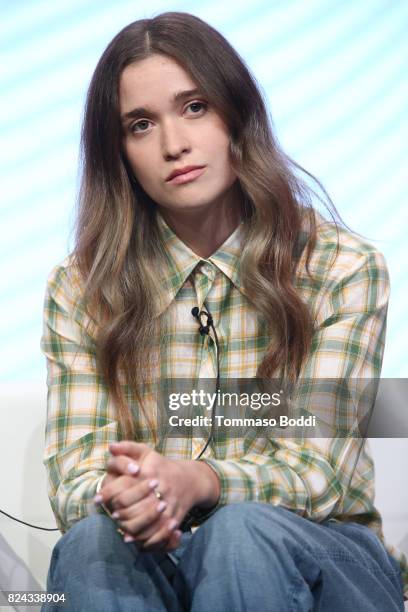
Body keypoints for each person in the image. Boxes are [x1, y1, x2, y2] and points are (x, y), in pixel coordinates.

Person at [40, 11, 407, 611]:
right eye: (140, 125)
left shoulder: (340, 268)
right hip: (155, 552)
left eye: (194, 107)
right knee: (89, 545)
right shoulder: (82, 289)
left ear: (237, 114)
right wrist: (138, 499)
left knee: (239, 535)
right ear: (120, 154)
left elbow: (319, 475)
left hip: (327, 552)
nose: (173, 144)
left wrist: (198, 483)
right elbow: (76, 479)